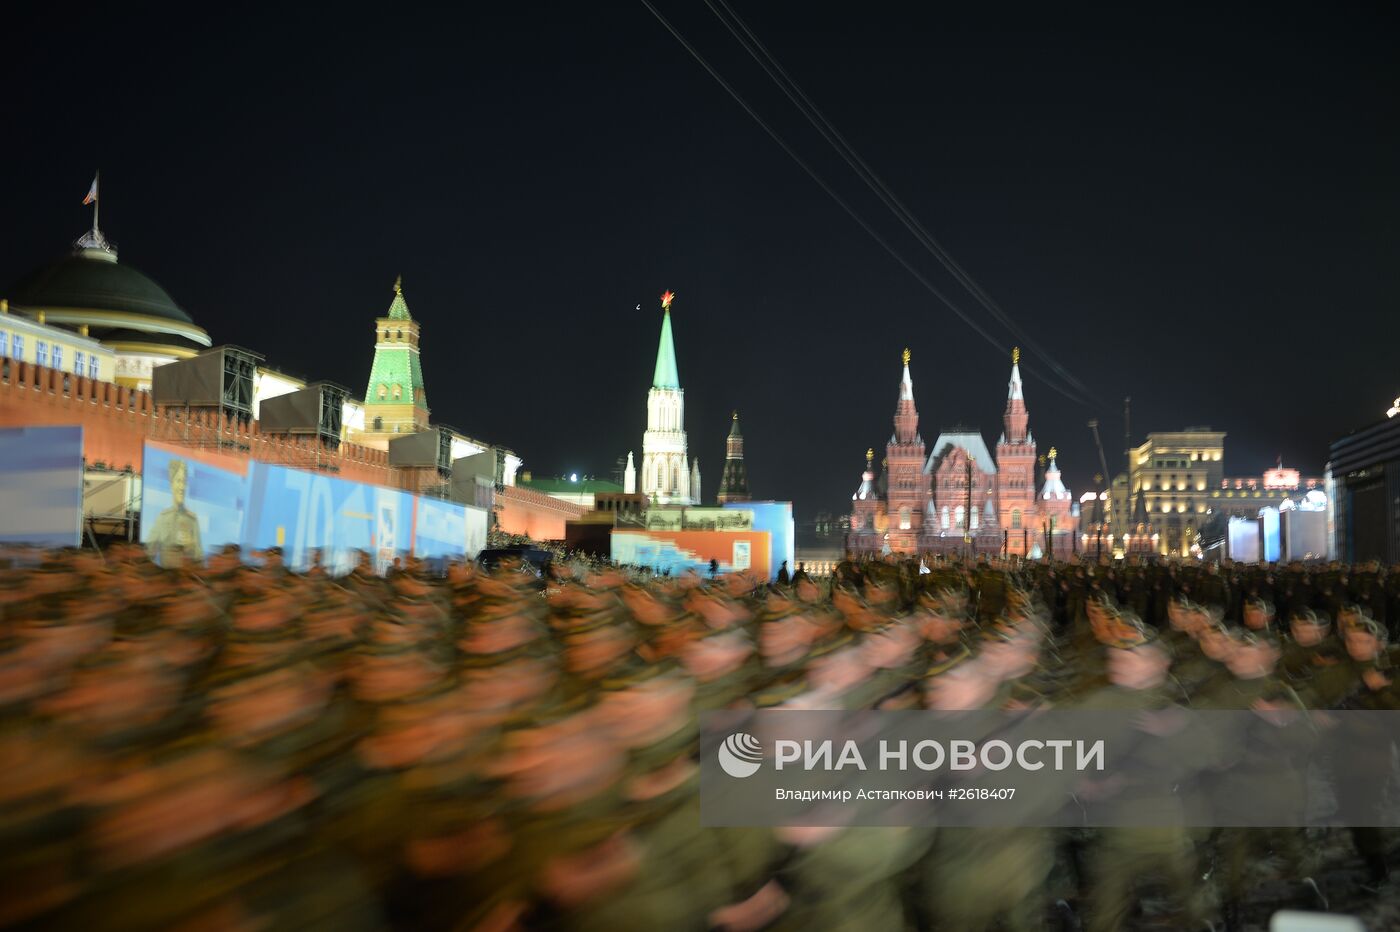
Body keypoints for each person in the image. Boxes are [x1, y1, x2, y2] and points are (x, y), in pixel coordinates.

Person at [146, 457, 202, 566]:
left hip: (186, 577)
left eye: (184, 482)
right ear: (172, 484)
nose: (182, 487)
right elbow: (149, 551)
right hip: (167, 577)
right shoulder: (163, 517)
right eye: (178, 481)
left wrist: (191, 545)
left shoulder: (192, 520)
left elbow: (199, 559)